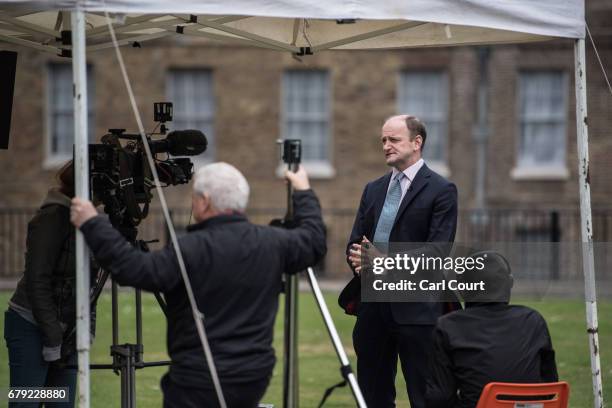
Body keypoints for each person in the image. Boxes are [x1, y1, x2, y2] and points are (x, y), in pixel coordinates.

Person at [70, 162, 326, 408]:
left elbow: (133, 269)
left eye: (194, 196)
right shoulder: (272, 242)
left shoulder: (191, 249)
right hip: (253, 378)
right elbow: (314, 240)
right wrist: (303, 190)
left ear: (204, 201)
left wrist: (93, 223)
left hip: (198, 382)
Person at [346, 115, 458, 408]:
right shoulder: (373, 189)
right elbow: (355, 242)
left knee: (424, 396)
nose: (386, 146)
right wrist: (358, 259)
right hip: (373, 310)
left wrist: (384, 262)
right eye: (383, 140)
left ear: (416, 142)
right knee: (372, 396)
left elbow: (437, 251)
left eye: (393, 139)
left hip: (418, 311)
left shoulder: (441, 190)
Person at [4, 161, 98, 408]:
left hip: (67, 330)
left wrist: (85, 329)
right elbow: (38, 279)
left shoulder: (88, 222)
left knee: (60, 402)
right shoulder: (51, 218)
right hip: (30, 324)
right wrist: (53, 337)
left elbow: (89, 280)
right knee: (26, 403)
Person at [425, 251, 559, 408]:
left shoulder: (449, 326)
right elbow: (549, 385)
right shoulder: (533, 319)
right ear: (510, 284)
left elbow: (439, 398)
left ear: (462, 289)